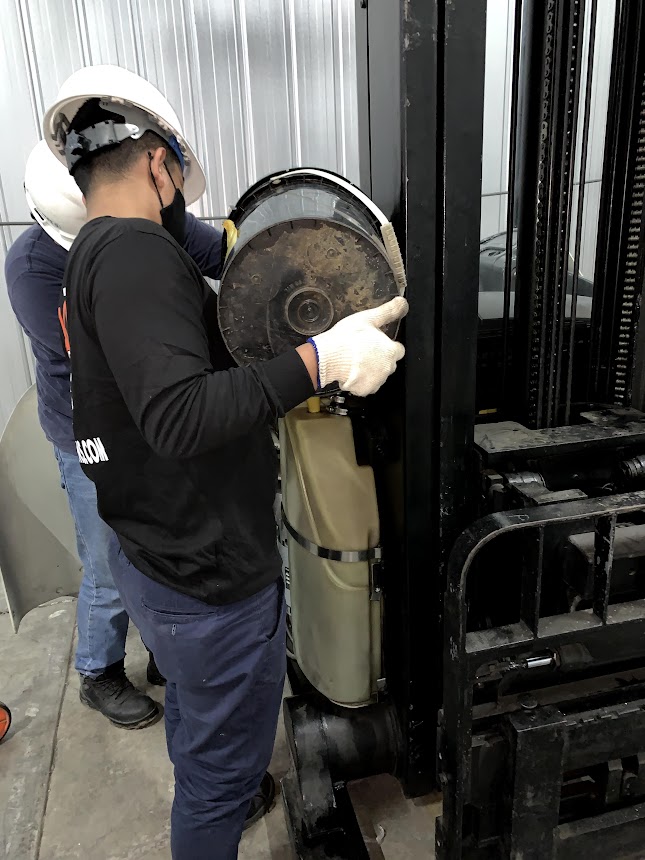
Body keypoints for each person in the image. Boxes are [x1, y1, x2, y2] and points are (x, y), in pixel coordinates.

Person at [47, 63, 407, 859]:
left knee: (197, 722)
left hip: (154, 554)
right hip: (205, 576)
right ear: (157, 162)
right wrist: (320, 360)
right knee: (219, 781)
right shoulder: (137, 254)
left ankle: (214, 786)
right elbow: (178, 416)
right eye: (178, 178)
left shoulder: (90, 251)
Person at [5, 137, 226, 727]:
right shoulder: (33, 267)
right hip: (89, 434)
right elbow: (106, 359)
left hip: (155, 420)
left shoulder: (154, 216)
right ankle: (97, 671)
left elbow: (224, 257)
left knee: (162, 547)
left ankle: (161, 649)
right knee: (108, 558)